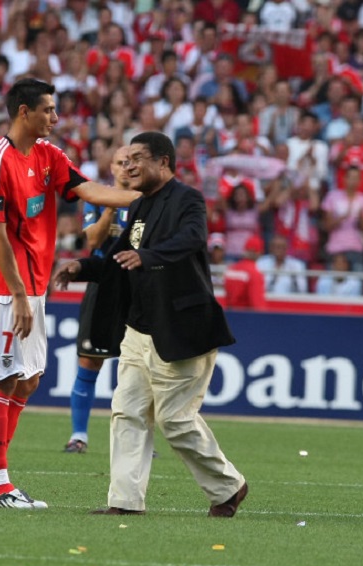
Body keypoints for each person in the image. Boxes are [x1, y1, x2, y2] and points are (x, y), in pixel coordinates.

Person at [53, 132, 247, 517]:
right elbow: (116, 257)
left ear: (163, 162)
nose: (128, 166)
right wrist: (82, 267)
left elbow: (192, 239)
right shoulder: (141, 206)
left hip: (181, 328)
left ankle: (229, 487)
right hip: (139, 331)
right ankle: (124, 502)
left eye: (137, 158)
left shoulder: (187, 199)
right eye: (125, 161)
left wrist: (149, 256)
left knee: (175, 421)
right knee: (127, 412)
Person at [0, 78, 137, 510]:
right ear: (24, 112)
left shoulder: (48, 155)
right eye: (48, 110)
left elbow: (87, 190)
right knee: (2, 377)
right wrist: (19, 295)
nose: (55, 118)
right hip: (4, 288)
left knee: (30, 379)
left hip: (34, 287)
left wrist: (147, 196)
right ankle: (1, 484)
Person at [63, 145, 131, 454]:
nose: (126, 167)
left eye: (131, 162)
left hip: (137, 287)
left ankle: (138, 437)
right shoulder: (96, 198)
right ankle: (79, 436)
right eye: (120, 162)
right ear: (111, 168)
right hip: (102, 284)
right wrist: (110, 206)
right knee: (90, 361)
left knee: (141, 366)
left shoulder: (150, 201)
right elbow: (92, 240)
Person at [224, 235, 267, 309]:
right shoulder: (254, 273)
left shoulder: (231, 270)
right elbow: (258, 305)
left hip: (231, 316)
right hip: (247, 317)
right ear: (259, 252)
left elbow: (227, 299)